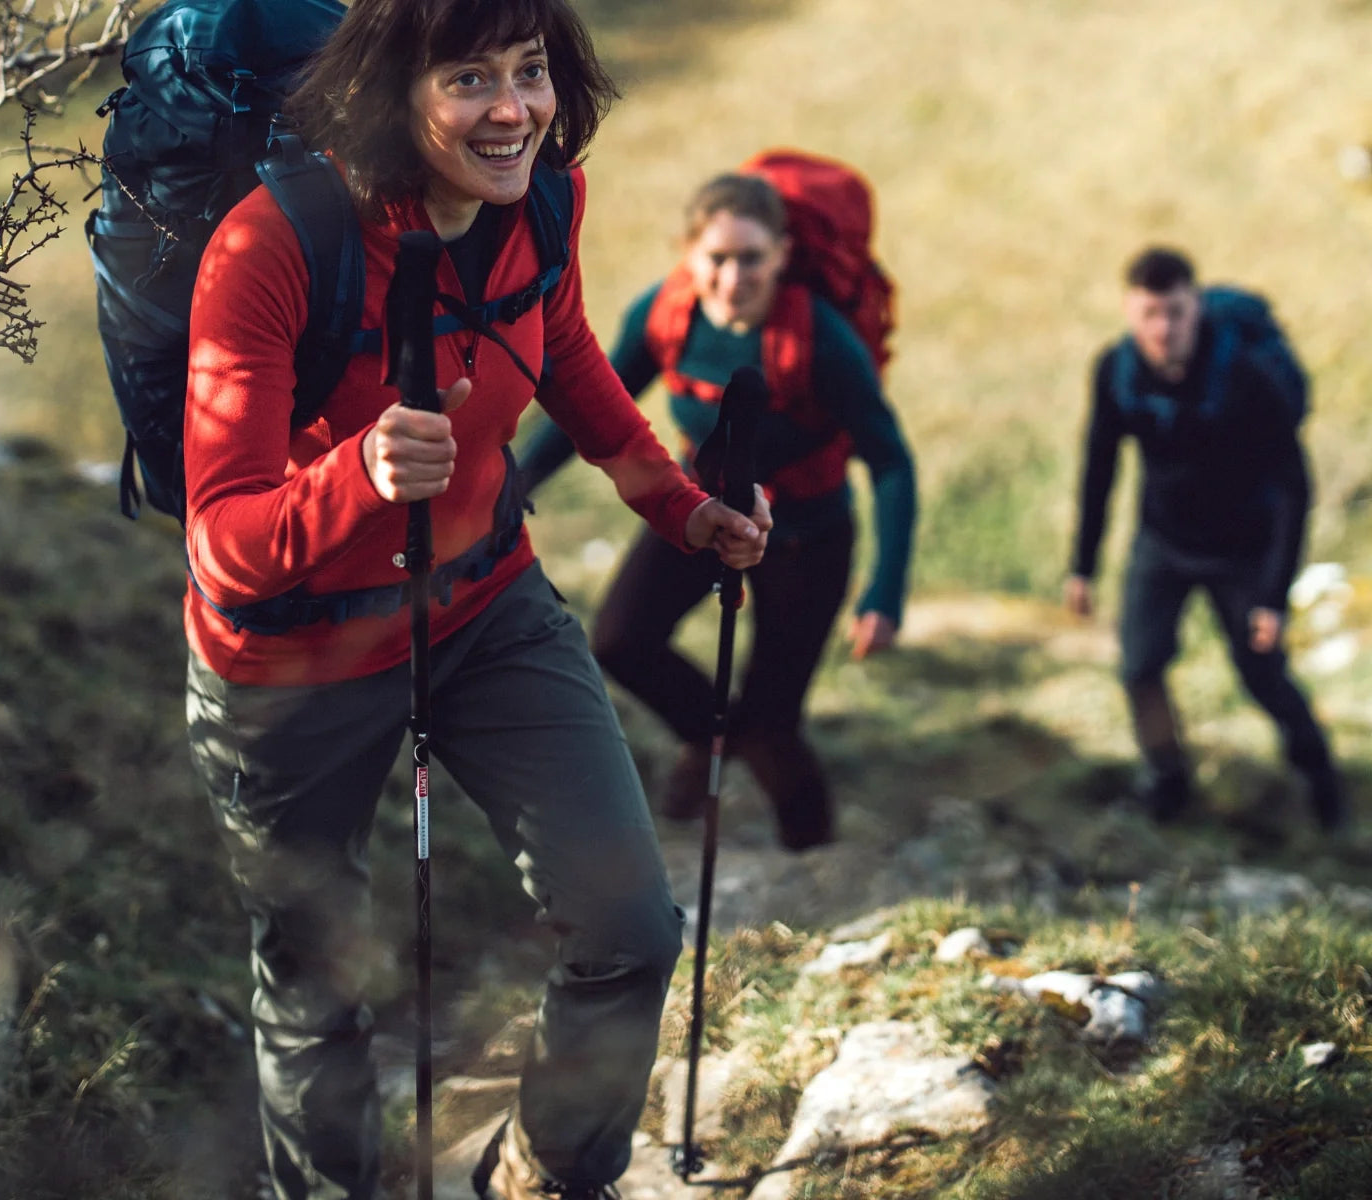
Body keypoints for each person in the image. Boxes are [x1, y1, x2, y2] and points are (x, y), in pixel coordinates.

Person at [180, 2, 771, 1198]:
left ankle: (549, 1175)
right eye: (467, 78)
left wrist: (677, 503)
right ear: (393, 93)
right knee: (315, 991)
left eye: (531, 70)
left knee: (629, 931)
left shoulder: (541, 201)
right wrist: (356, 476)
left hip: (486, 610)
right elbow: (226, 545)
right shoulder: (271, 249)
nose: (513, 110)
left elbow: (562, 352)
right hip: (287, 663)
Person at [518, 171, 917, 852]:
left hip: (804, 538)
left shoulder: (821, 341)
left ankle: (813, 852)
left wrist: (885, 592)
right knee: (620, 641)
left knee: (772, 726)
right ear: (688, 253)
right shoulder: (667, 314)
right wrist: (515, 477)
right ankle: (709, 739)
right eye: (718, 259)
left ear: (783, 255)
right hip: (703, 513)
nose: (734, 278)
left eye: (753, 259)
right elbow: (591, 403)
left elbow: (891, 462)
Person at [1066, 246, 1344, 831]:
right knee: (1140, 668)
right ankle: (1167, 782)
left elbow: (1294, 487)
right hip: (1163, 542)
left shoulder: (1245, 375)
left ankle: (1322, 779)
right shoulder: (1116, 370)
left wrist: (1273, 594)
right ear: (1128, 312)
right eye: (1150, 315)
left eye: (1176, 313)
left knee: (1262, 674)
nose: (1163, 330)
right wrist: (1082, 565)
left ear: (1196, 308)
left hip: (1243, 549)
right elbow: (1100, 466)